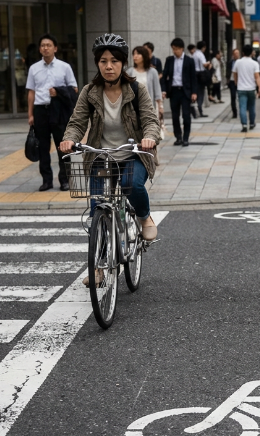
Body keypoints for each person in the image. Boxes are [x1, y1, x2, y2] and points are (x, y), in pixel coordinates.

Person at [60, 34, 160, 286]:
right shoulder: (89, 92)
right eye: (103, 61)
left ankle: (144, 217)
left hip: (133, 153)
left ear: (122, 63)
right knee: (98, 210)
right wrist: (69, 139)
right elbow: (77, 122)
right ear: (97, 63)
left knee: (131, 184)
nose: (108, 66)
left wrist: (149, 137)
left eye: (114, 61)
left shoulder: (136, 89)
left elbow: (150, 120)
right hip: (101, 156)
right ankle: (98, 268)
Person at [26, 34, 78, 191]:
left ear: (55, 48)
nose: (45, 48)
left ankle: (64, 180)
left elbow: (74, 89)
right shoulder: (34, 68)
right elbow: (31, 92)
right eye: (43, 45)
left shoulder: (64, 67)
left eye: (48, 45)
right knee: (43, 147)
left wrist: (58, 92)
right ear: (39, 49)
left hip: (58, 110)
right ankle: (46, 180)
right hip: (40, 110)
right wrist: (30, 114)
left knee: (63, 146)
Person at [129, 46, 164, 161]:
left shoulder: (152, 72)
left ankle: (152, 156)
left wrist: (160, 107)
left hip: (149, 108)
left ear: (144, 56)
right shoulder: (129, 72)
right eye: (134, 54)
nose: (135, 56)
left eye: (138, 54)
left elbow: (157, 91)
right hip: (133, 109)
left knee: (150, 132)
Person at [162, 38, 197, 146]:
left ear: (182, 49)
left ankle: (186, 138)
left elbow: (193, 77)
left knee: (186, 116)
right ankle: (178, 137)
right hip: (173, 91)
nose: (175, 51)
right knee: (175, 116)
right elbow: (164, 76)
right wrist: (164, 89)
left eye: (176, 49)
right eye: (173, 49)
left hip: (185, 92)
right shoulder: (169, 60)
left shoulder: (189, 60)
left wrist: (194, 92)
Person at [233, 44, 260, 132]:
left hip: (241, 88)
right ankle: (252, 123)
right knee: (252, 107)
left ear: (243, 52)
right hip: (251, 88)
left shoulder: (238, 62)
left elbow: (235, 74)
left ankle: (244, 125)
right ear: (252, 52)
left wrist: (236, 82)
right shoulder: (255, 63)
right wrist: (259, 88)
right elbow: (257, 77)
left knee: (242, 107)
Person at [192, 41, 210, 117]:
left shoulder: (194, 54)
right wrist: (208, 63)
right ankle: (200, 109)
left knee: (195, 91)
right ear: (203, 47)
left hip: (194, 74)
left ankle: (194, 109)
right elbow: (204, 64)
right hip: (201, 74)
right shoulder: (201, 54)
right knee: (201, 92)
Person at [227, 48, 239, 118]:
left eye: (238, 53)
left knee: (241, 96)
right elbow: (227, 72)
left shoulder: (241, 62)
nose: (237, 55)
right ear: (233, 55)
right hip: (232, 81)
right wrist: (228, 80)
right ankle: (234, 112)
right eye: (235, 53)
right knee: (233, 96)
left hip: (240, 82)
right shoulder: (230, 62)